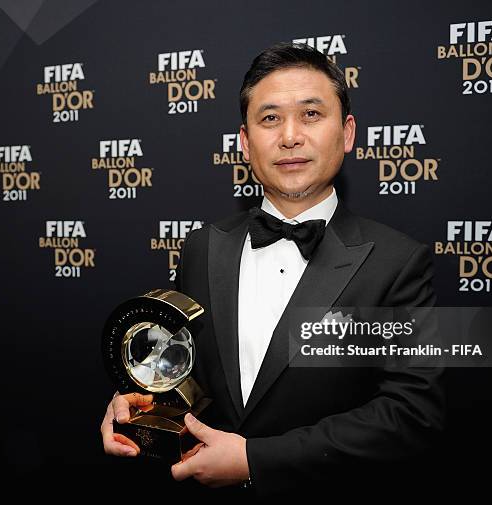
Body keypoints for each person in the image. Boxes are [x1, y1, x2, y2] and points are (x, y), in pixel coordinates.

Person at [100, 42, 445, 496]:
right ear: (245, 142)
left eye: (311, 115)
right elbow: (182, 372)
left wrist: (253, 460)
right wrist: (138, 402)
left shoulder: (398, 263)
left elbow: (410, 413)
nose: (289, 136)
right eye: (269, 118)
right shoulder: (202, 247)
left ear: (347, 133)